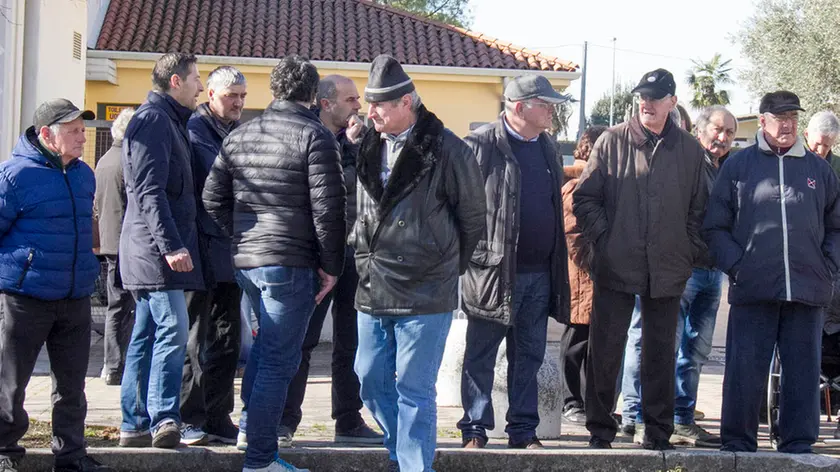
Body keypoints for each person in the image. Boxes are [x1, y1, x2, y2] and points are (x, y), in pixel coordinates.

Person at [203, 55, 346, 472]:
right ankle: (260, 458)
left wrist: (242, 236)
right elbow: (329, 211)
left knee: (267, 351)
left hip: (249, 261)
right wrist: (331, 267)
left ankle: (252, 432)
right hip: (290, 262)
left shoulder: (241, 134)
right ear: (313, 94)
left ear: (274, 90)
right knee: (278, 361)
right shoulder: (316, 137)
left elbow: (212, 198)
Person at [351, 54, 485, 472]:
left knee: (414, 389)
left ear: (406, 102)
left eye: (380, 105)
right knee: (369, 378)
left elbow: (473, 219)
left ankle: (413, 464)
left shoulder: (448, 149)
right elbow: (359, 211)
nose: (371, 112)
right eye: (370, 104)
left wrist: (442, 265)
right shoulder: (367, 144)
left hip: (425, 290)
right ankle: (401, 449)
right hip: (372, 284)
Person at [573, 68, 708, 450]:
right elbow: (585, 198)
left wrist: (686, 248)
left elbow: (699, 210)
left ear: (672, 102)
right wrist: (607, 240)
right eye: (642, 97)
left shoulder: (690, 150)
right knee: (605, 351)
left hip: (668, 266)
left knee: (660, 354)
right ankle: (600, 430)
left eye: (655, 97)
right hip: (616, 264)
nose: (646, 103)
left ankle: (658, 432)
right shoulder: (612, 141)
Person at [704, 91, 840, 453]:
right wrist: (738, 266)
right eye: (780, 118)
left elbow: (837, 227)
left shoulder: (819, 171)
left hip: (807, 290)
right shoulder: (738, 166)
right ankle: (738, 442)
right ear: (763, 121)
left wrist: (828, 266)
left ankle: (798, 443)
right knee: (744, 370)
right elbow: (715, 227)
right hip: (754, 288)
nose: (788, 125)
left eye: (793, 118)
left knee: (803, 372)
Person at [457, 74, 571, 450]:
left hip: (540, 274)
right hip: (491, 273)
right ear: (520, 107)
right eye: (546, 104)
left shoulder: (548, 147)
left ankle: (523, 431)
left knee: (529, 355)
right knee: (481, 354)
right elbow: (455, 205)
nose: (552, 110)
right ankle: (475, 429)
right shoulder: (480, 145)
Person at [0, 99, 112, 472]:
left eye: (83, 129)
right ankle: (4, 450)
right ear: (47, 134)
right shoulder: (14, 176)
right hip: (25, 297)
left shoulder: (83, 174)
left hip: (75, 296)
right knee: (12, 382)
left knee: (72, 385)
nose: (83, 137)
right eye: (74, 131)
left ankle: (71, 455)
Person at [621, 105, 736, 447]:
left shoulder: (728, 168)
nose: (723, 137)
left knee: (696, 351)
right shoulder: (684, 160)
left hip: (712, 271)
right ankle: (637, 416)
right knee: (658, 346)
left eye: (730, 132)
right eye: (718, 129)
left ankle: (682, 418)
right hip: (680, 270)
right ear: (699, 130)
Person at [278, 75, 382, 447]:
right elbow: (319, 189)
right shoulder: (306, 136)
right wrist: (346, 149)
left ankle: (349, 419)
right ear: (326, 103)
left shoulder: (361, 140)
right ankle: (284, 420)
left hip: (355, 251)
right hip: (315, 256)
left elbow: (372, 186)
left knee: (350, 340)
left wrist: (360, 146)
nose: (359, 106)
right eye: (351, 99)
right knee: (301, 340)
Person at [118, 52, 206, 449]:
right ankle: (163, 418)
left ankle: (134, 422)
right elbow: (149, 190)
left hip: (153, 250)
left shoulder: (168, 120)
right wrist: (171, 246)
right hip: (155, 253)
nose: (200, 87)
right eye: (196, 79)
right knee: (173, 328)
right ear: (175, 81)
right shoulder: (154, 120)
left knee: (147, 332)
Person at [179, 65, 248, 445]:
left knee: (227, 338)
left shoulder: (237, 133)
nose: (238, 103)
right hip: (199, 249)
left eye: (242, 96)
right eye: (230, 96)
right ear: (210, 95)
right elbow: (208, 185)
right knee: (193, 338)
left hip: (230, 251)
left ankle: (218, 416)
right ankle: (188, 417)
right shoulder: (194, 133)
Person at [557, 125, 607, 425]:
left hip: (596, 273)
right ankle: (570, 400)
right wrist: (594, 263)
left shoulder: (598, 181)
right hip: (583, 273)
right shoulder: (577, 184)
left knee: (593, 341)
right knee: (576, 338)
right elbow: (572, 233)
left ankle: (589, 402)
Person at [94, 108, 137, 386]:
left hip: (110, 241)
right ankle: (119, 364)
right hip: (128, 242)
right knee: (128, 307)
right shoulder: (128, 160)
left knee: (117, 306)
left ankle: (111, 365)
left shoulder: (104, 161)